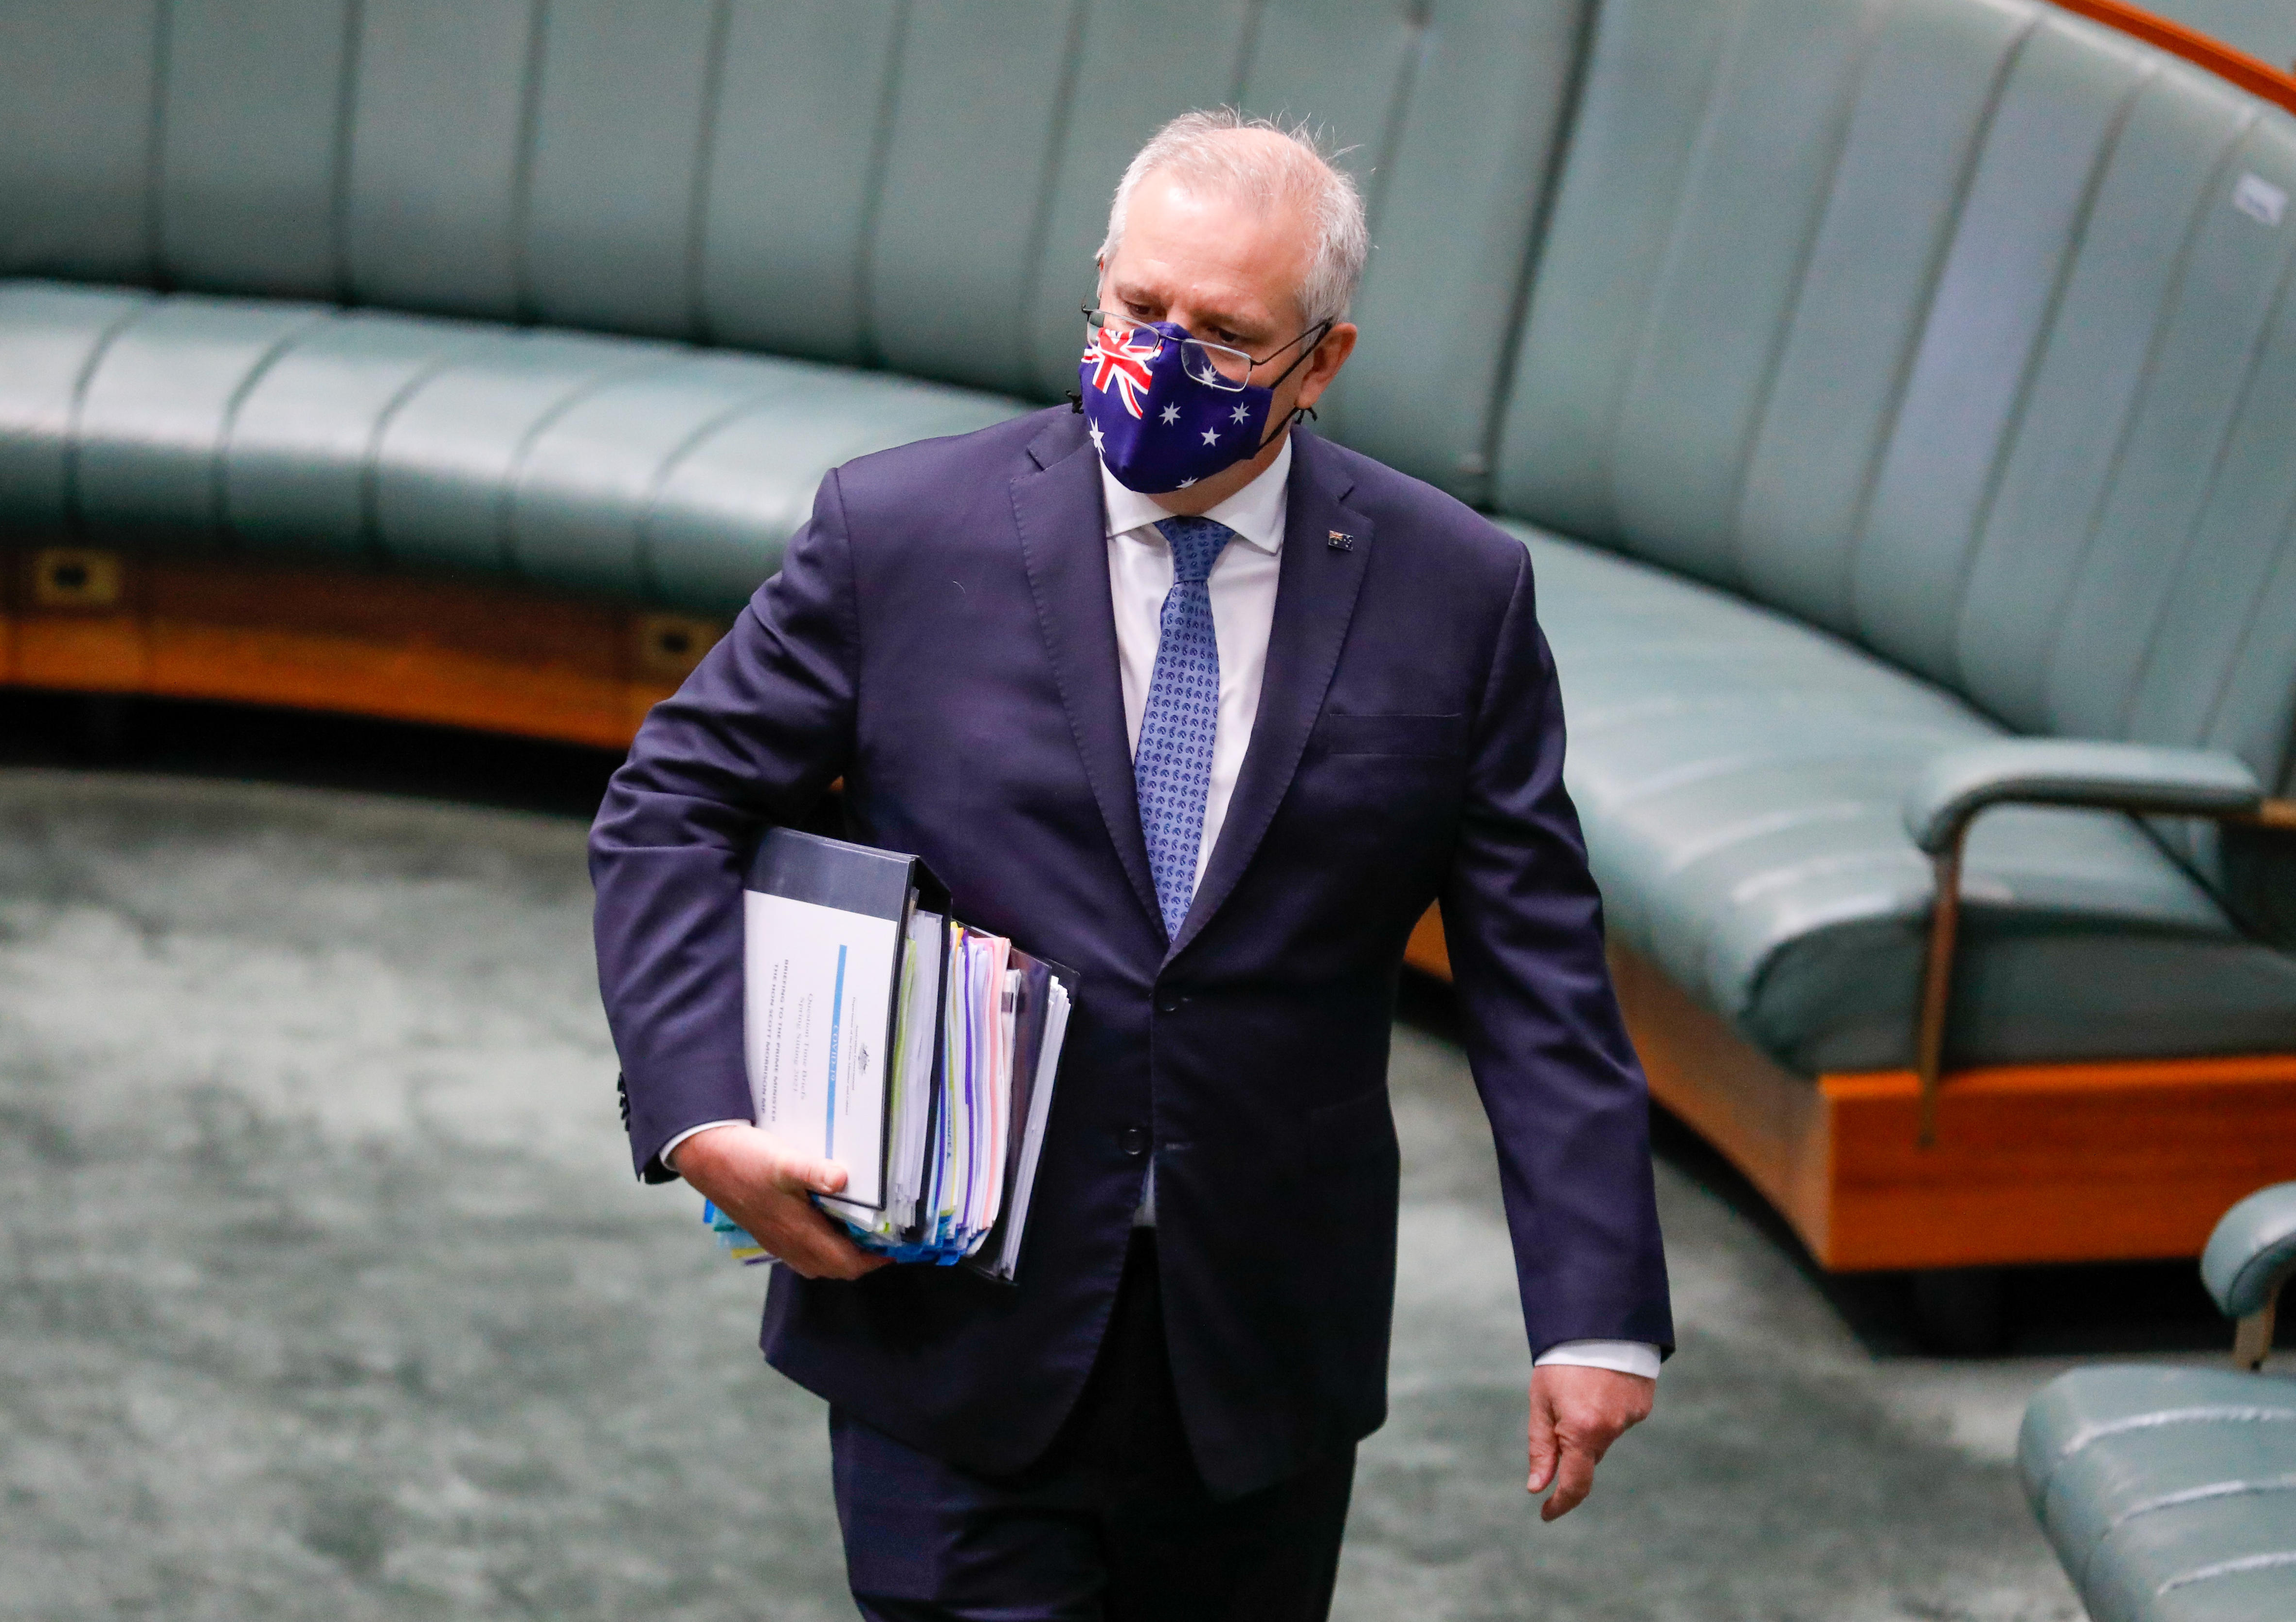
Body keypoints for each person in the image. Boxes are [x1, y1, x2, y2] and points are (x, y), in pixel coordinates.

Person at [591, 109, 1673, 1622]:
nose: (1162, 360)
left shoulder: (1458, 598)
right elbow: (669, 806)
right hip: (955, 1327)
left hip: (1257, 1356)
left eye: (1225, 338)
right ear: (1098, 282)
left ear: (1324, 362)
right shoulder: (899, 534)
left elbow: (1537, 974)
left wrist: (1597, 1312)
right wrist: (699, 1110)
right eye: (1137, 311)